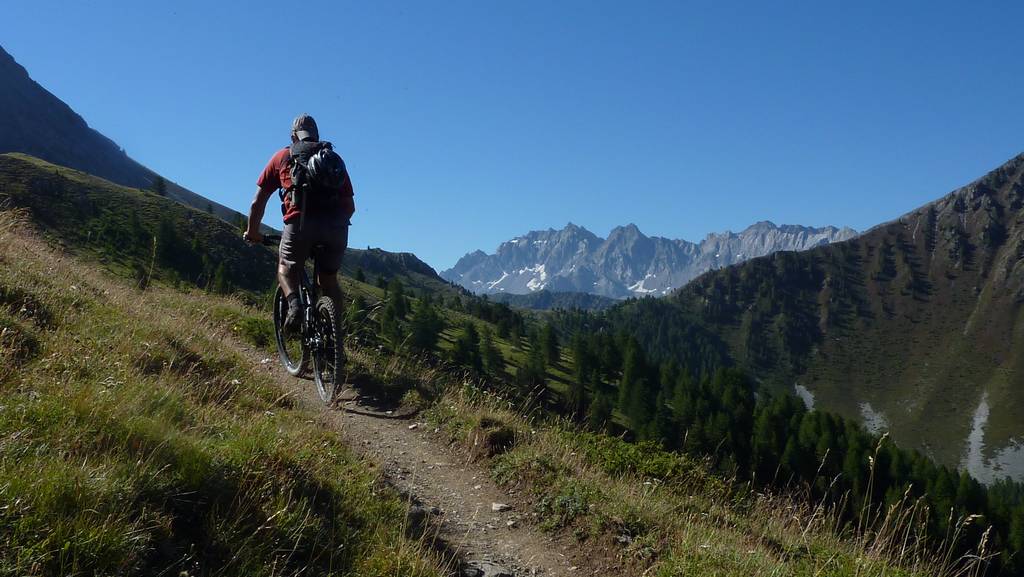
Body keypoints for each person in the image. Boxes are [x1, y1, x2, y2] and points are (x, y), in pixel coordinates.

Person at [243, 114, 355, 331]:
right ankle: (335, 339)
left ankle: (294, 306)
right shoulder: (332, 159)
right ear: (317, 135)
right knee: (329, 281)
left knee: (285, 267)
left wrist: (252, 232)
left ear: (293, 136)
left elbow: (258, 203)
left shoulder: (282, 157)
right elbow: (350, 207)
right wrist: (330, 227)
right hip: (337, 228)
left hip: (300, 225)